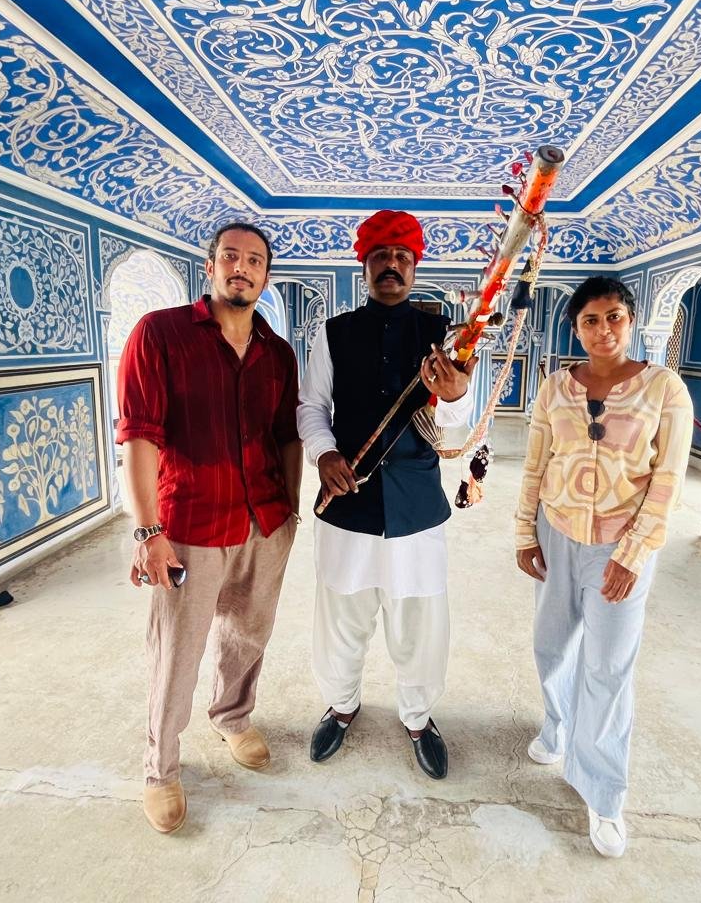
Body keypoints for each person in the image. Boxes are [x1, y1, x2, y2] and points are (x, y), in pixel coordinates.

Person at [116, 222, 302, 834]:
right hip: (191, 523)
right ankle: (161, 767)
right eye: (230, 256)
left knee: (248, 633)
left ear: (266, 276)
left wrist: (290, 511)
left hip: (264, 520)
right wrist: (148, 533)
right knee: (178, 650)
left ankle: (232, 717)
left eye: (254, 260)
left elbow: (285, 435)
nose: (241, 268)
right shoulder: (161, 334)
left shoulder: (277, 352)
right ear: (211, 266)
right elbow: (140, 436)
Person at [515, 275, 693, 858]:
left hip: (619, 545)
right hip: (557, 532)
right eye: (590, 320)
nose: (603, 330)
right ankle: (558, 724)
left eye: (614, 316)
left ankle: (603, 794)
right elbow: (536, 465)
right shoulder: (555, 388)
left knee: (608, 666)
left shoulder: (663, 389)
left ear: (631, 320)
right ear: (576, 329)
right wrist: (524, 532)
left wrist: (634, 554)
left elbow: (668, 480)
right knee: (551, 644)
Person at [297, 210, 477, 780]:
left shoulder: (446, 335)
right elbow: (311, 407)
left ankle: (419, 718)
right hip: (347, 503)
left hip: (417, 508)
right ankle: (341, 706)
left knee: (419, 621)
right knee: (341, 615)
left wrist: (455, 395)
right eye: (381, 255)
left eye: (402, 256)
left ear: (415, 266)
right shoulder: (334, 333)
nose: (391, 264)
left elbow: (456, 425)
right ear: (365, 266)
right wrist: (324, 453)